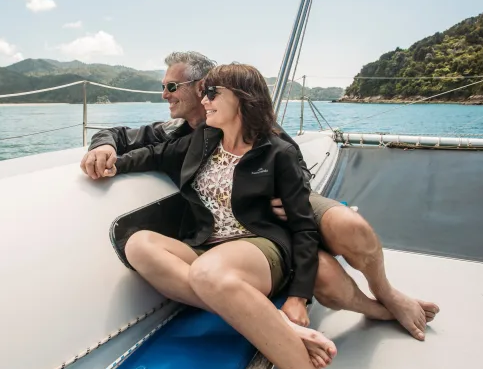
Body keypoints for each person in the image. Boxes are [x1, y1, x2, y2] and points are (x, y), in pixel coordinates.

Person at [81, 51, 439, 341]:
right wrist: (104, 148)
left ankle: (387, 291)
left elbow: (286, 154)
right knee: (327, 279)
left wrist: (281, 194)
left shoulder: (250, 121)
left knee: (347, 224)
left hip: (281, 197)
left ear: (203, 87)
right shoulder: (173, 131)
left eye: (172, 86)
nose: (165, 95)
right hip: (241, 214)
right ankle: (377, 309)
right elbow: (122, 137)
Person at [93, 63, 343, 369]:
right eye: (203, 92)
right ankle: (276, 326)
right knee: (139, 245)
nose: (204, 99)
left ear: (242, 99)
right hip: (209, 245)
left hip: (259, 245)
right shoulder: (199, 141)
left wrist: (299, 298)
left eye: (211, 93)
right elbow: (150, 153)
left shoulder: (277, 150)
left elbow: (302, 226)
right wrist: (109, 158)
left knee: (208, 271)